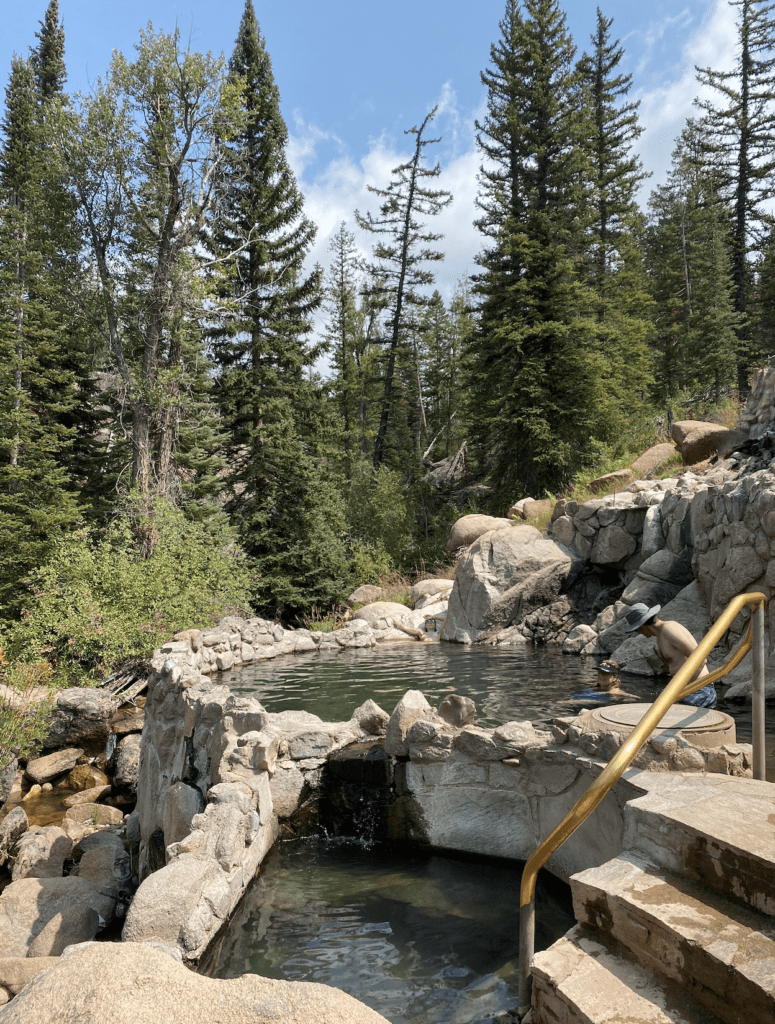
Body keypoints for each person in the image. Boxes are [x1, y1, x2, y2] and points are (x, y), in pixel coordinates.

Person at [624, 603, 717, 708]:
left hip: (698, 690)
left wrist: (683, 688)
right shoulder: (660, 636)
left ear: (642, 624)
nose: (638, 633)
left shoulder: (669, 629)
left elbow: (700, 658)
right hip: (689, 689)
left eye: (636, 629)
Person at [565, 660, 640, 707]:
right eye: (599, 673)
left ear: (615, 677)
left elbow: (635, 698)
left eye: (605, 673)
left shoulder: (614, 692)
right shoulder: (597, 689)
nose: (601, 676)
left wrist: (568, 702)